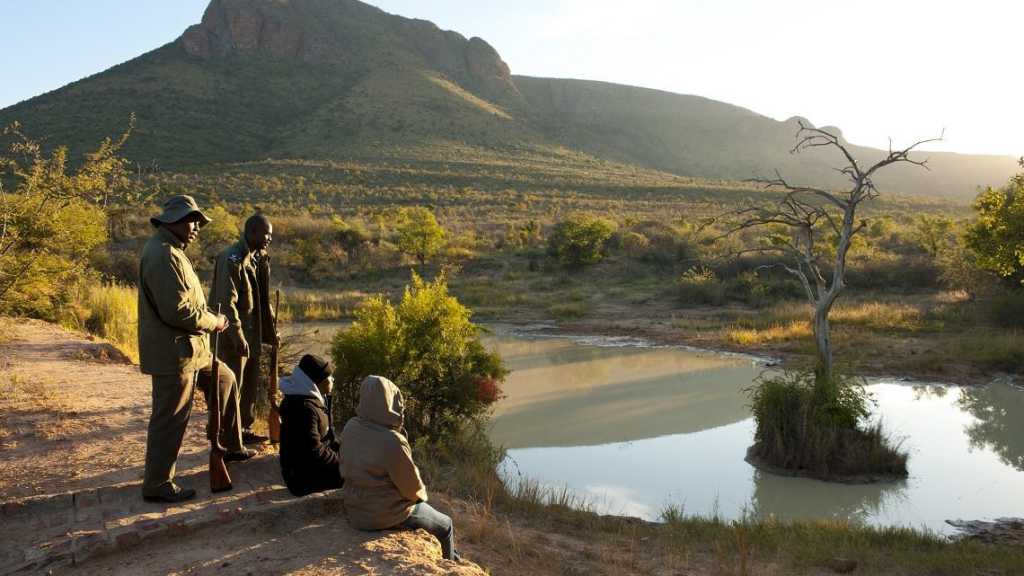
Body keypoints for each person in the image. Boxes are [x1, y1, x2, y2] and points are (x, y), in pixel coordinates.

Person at [138, 195, 241, 503]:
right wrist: (217, 321)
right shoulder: (164, 255)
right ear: (174, 222)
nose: (197, 227)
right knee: (170, 418)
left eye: (197, 221)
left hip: (192, 349)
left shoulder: (173, 251)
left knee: (225, 379)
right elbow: (180, 312)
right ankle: (157, 484)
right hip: (175, 353)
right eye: (192, 220)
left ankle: (227, 447)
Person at [340, 376, 459, 561]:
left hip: (355, 509)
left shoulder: (350, 427)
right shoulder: (391, 440)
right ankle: (450, 565)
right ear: (391, 401)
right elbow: (412, 489)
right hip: (385, 514)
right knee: (446, 525)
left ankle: (454, 558)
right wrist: (420, 499)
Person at [209, 212, 277, 444]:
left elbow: (262, 298)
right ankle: (224, 437)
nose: (269, 238)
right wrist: (237, 336)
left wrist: (271, 328)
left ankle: (243, 430)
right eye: (267, 234)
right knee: (231, 387)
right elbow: (226, 302)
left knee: (249, 385)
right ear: (252, 232)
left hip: (253, 334)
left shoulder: (260, 258)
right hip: (233, 337)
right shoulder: (231, 259)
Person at [278, 354, 344, 496]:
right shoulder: (303, 409)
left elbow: (330, 438)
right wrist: (344, 464)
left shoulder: (315, 400)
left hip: (313, 468)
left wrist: (346, 453)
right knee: (363, 477)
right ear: (317, 381)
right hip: (303, 479)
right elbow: (314, 453)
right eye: (329, 377)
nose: (332, 380)